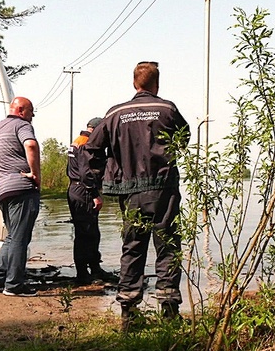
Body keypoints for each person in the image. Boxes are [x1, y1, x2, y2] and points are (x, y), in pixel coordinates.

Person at [86, 61, 190, 326]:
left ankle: (129, 312)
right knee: (167, 245)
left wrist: (94, 182)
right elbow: (184, 138)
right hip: (163, 189)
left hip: (129, 192)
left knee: (132, 247)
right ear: (157, 84)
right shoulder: (167, 109)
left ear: (135, 84)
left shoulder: (115, 113)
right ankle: (169, 311)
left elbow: (92, 149)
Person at [0, 96, 41, 297]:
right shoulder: (21, 125)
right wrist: (35, 174)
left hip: (2, 190)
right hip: (21, 188)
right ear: (21, 110)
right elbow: (31, 146)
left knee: (11, 236)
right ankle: (14, 285)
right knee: (20, 238)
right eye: (31, 111)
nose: (32, 115)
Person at [67, 117, 117, 286]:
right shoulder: (86, 143)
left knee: (91, 233)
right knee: (85, 234)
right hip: (83, 190)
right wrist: (94, 193)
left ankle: (94, 268)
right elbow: (85, 172)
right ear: (96, 130)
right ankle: (83, 274)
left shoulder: (79, 141)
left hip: (77, 189)